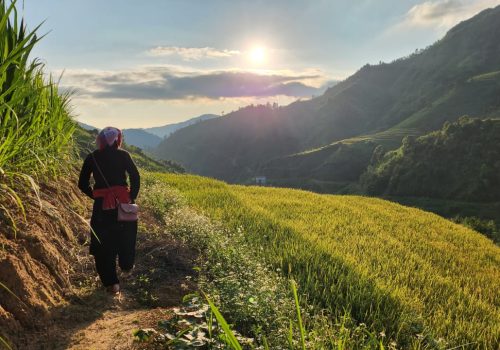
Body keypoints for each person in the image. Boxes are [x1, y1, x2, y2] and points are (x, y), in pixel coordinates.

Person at [78, 127, 140, 294]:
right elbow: (135, 176)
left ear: (101, 140)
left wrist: (96, 196)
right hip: (123, 203)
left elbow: (82, 183)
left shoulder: (92, 158)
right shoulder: (124, 155)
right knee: (127, 233)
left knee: (103, 242)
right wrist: (131, 196)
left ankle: (111, 283)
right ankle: (126, 264)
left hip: (102, 207)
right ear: (117, 139)